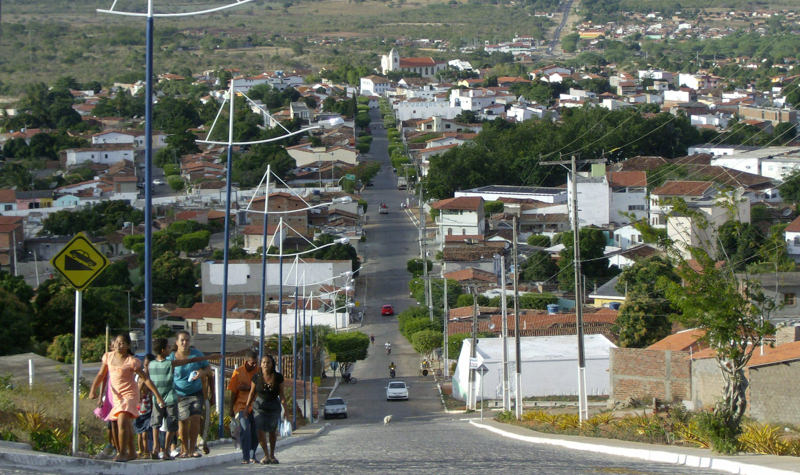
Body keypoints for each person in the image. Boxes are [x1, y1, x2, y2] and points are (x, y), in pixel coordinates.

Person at [89, 334, 165, 463]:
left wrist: (158, 397)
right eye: (117, 342)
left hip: (130, 395)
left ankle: (122, 453)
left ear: (128, 345)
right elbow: (101, 374)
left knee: (122, 421)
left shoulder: (132, 361)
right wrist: (93, 390)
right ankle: (131, 452)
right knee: (127, 425)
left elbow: (145, 378)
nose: (119, 345)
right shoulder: (108, 357)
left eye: (123, 343)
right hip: (116, 396)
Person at [169, 331, 210, 459]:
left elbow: (208, 369)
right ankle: (184, 449)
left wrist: (201, 373)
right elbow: (167, 375)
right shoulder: (172, 357)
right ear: (177, 342)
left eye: (187, 340)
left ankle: (193, 448)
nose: (184, 343)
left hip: (196, 392)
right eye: (182, 340)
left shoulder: (197, 355)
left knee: (196, 419)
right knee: (183, 421)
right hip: (179, 394)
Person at [245, 354, 289, 465]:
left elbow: (282, 395)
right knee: (260, 430)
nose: (265, 364)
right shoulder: (256, 377)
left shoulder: (278, 377)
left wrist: (286, 410)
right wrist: (247, 407)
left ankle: (272, 455)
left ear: (272, 364)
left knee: (272, 431)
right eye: (264, 362)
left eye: (268, 362)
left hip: (273, 406)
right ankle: (266, 455)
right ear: (261, 364)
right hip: (259, 406)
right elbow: (251, 393)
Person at [228, 350, 259, 464]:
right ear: (246, 361)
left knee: (256, 432)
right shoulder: (238, 372)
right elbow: (233, 391)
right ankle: (245, 456)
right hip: (241, 406)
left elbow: (259, 388)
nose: (254, 365)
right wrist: (230, 408)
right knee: (245, 429)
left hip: (255, 406)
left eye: (256, 362)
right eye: (252, 363)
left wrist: (247, 387)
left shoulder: (258, 371)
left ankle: (252, 454)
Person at [134, 354, 155, 458]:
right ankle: (142, 450)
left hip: (147, 406)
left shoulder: (152, 375)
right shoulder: (140, 376)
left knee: (144, 431)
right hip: (140, 406)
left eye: (149, 366)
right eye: (145, 365)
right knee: (141, 431)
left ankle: (145, 450)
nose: (147, 368)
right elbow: (137, 388)